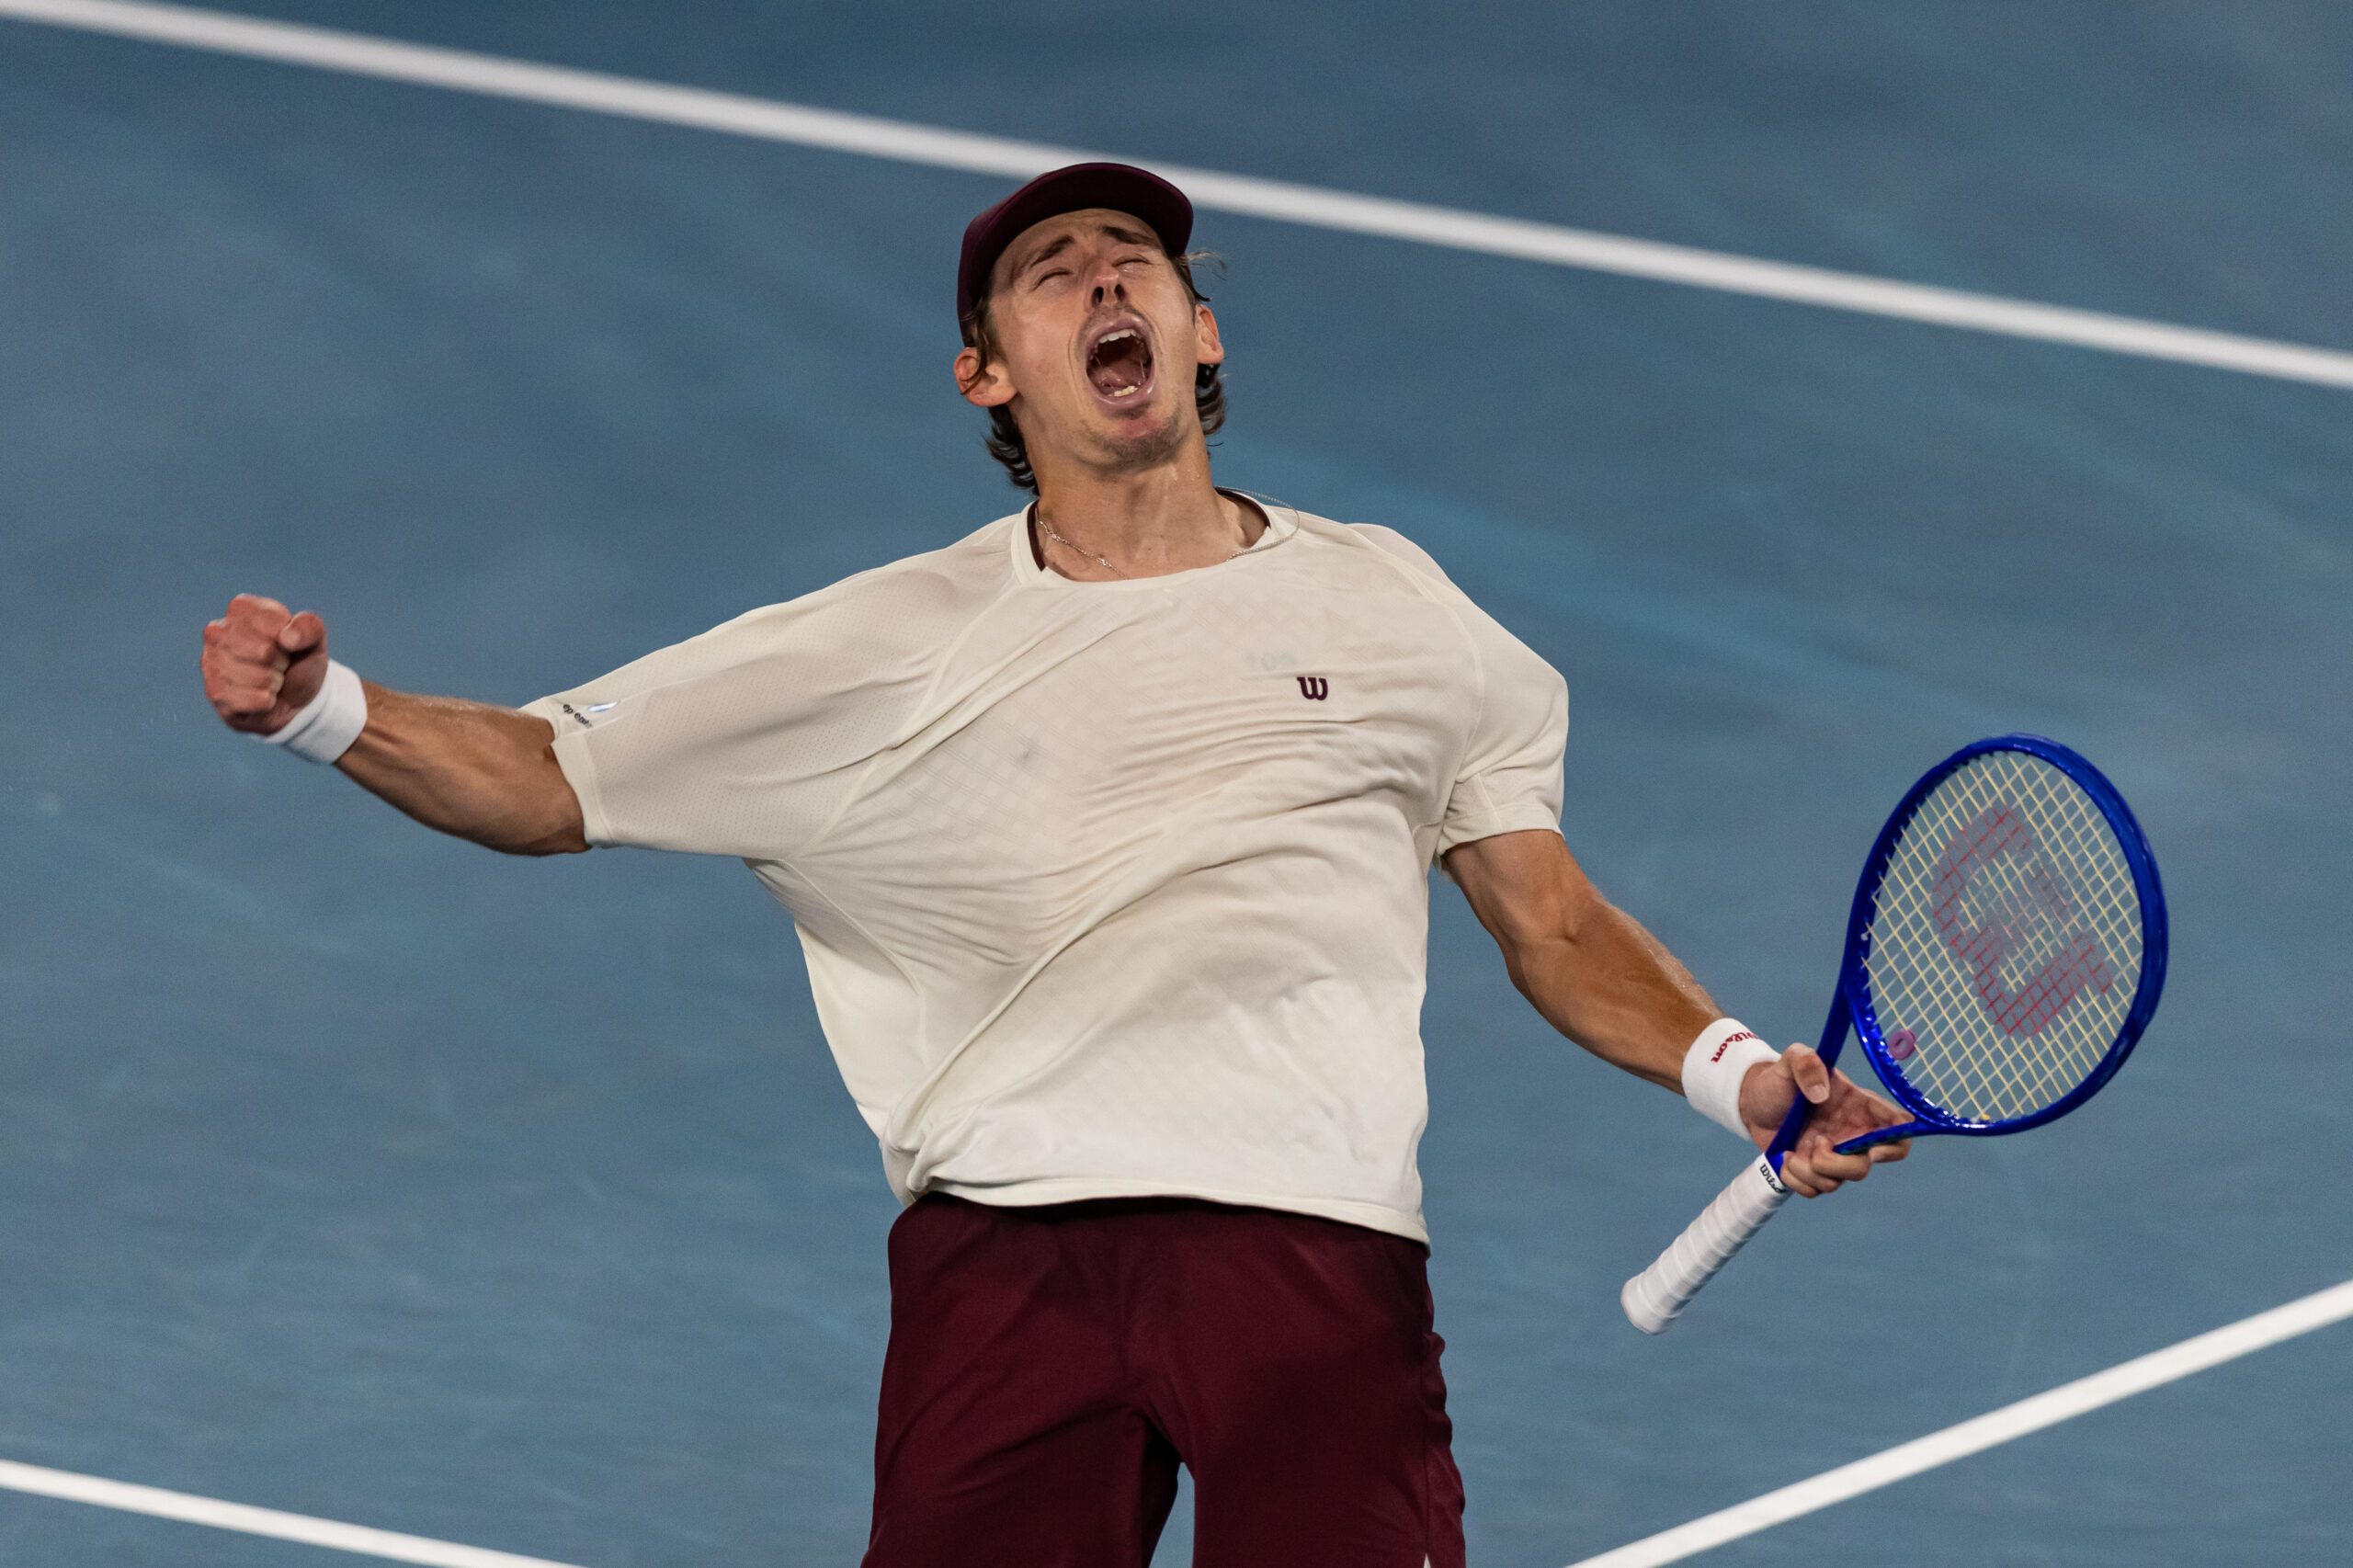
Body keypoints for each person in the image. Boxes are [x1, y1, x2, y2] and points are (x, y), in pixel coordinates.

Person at [200, 163, 1910, 1568]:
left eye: (1136, 261)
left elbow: (1545, 911)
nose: (1105, 281)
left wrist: (1739, 1071)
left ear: (1199, 327)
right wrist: (323, 708)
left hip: (1311, 1258)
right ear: (990, 375)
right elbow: (548, 775)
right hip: (1005, 1269)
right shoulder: (884, 641)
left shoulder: (1395, 607)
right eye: (1051, 271)